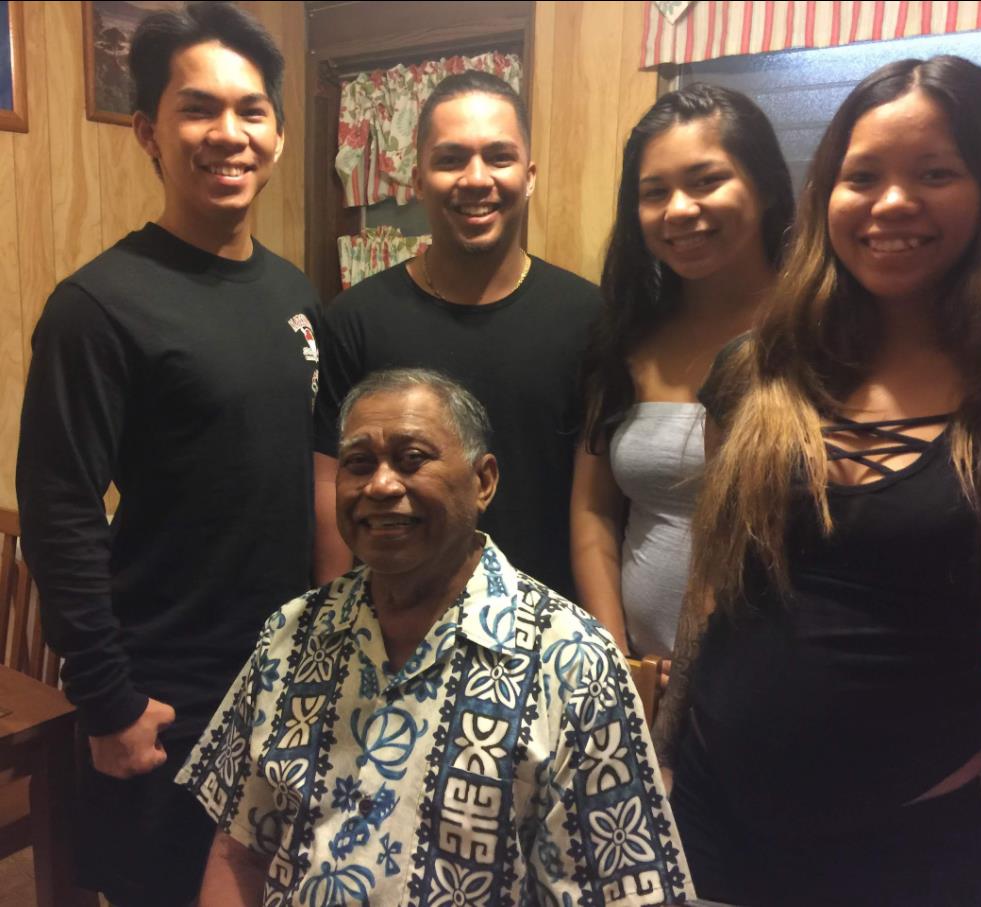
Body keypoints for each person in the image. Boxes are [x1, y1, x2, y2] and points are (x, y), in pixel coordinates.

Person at [654, 55, 981, 906]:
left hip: (908, 844)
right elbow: (711, 587)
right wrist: (662, 753)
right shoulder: (754, 369)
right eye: (862, 177)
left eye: (934, 172)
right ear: (827, 193)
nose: (891, 203)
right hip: (713, 817)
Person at [178, 368, 692, 906]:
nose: (380, 485)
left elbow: (621, 890)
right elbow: (239, 851)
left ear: (483, 481)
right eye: (359, 464)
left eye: (411, 459)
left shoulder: (573, 662)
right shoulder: (292, 635)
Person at [15, 4, 319, 904]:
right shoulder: (99, 306)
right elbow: (60, 508)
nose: (229, 133)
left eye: (251, 110)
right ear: (147, 131)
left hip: (288, 682)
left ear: (278, 132)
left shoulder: (295, 293)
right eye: (198, 108)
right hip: (168, 699)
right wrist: (106, 698)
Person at [313, 71, 601, 600]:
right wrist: (332, 617)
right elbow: (331, 481)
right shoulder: (356, 319)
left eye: (499, 157)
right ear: (418, 179)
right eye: (450, 159)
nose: (475, 178)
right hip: (392, 619)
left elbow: (597, 508)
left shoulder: (589, 318)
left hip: (545, 628)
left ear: (529, 176)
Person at [571, 85, 793, 667]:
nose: (678, 210)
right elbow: (594, 512)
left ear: (767, 186)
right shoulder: (627, 338)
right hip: (642, 677)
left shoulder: (813, 334)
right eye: (654, 192)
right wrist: (618, 660)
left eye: (705, 181)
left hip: (774, 682)